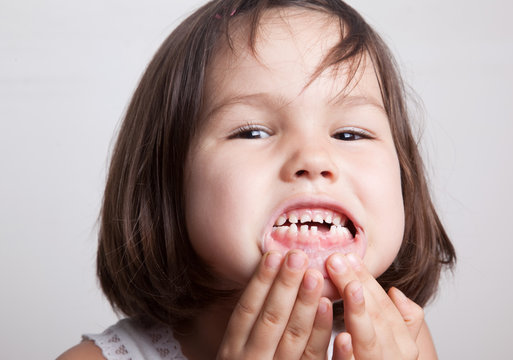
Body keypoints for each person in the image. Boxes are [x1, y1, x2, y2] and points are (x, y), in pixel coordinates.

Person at [58, 0, 455, 358]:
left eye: (349, 134)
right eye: (252, 132)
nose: (314, 159)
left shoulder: (404, 343)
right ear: (169, 180)